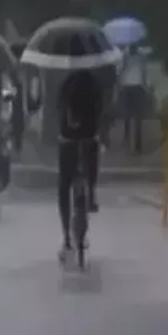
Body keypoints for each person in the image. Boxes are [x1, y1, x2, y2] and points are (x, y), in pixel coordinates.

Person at [56, 68, 103, 254]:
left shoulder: (66, 83)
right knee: (91, 168)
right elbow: (100, 109)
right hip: (89, 138)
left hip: (68, 140)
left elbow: (59, 109)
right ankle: (91, 194)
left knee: (63, 186)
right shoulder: (94, 82)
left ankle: (66, 234)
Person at [118, 44, 149, 154]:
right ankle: (136, 143)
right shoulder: (141, 55)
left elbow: (120, 72)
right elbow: (144, 71)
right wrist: (145, 86)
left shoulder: (124, 55)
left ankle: (128, 138)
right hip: (137, 86)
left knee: (129, 114)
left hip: (127, 86)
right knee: (136, 116)